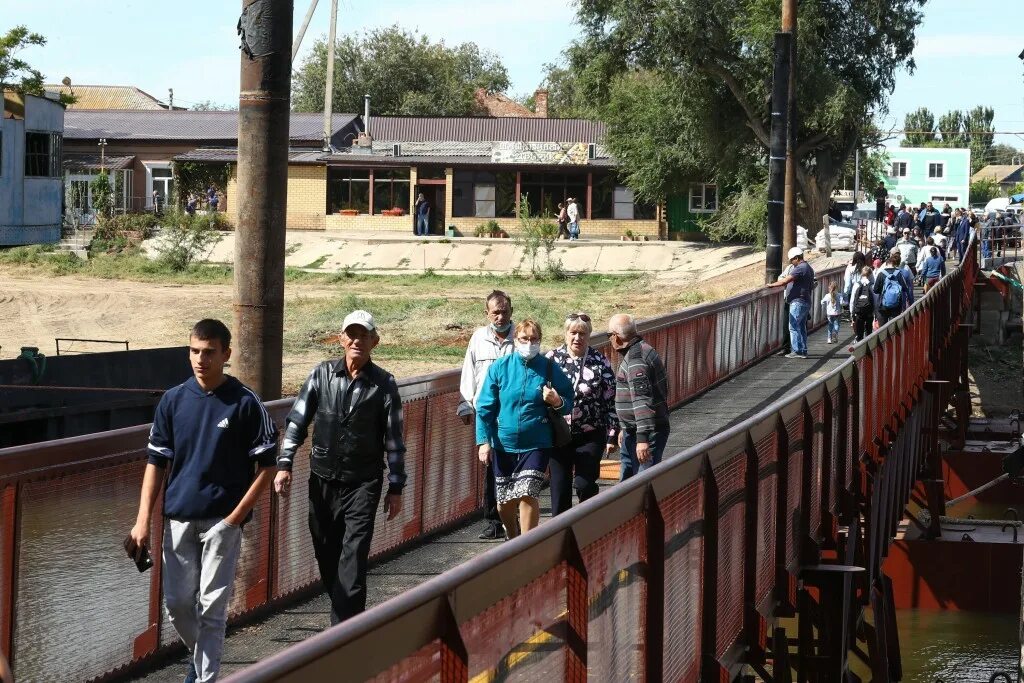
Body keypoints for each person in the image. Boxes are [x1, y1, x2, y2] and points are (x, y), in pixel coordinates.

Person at [128, 319, 278, 683]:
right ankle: (200, 662)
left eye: (209, 352)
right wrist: (142, 519)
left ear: (226, 354)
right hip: (178, 517)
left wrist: (234, 519)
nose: (201, 359)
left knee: (212, 607)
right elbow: (156, 462)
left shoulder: (245, 402)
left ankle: (205, 679)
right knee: (177, 606)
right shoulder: (173, 400)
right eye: (195, 351)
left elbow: (268, 467)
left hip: (222, 523)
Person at [274, 310, 406, 625]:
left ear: (375, 341)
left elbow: (394, 439)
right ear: (341, 338)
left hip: (363, 483)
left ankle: (345, 632)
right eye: (352, 334)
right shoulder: (321, 375)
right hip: (322, 480)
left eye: (364, 335)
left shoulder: (385, 385)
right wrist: (285, 463)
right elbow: (297, 421)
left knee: (354, 555)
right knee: (325, 549)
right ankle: (346, 617)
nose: (357, 340)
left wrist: (397, 486)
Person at [475, 319, 573, 537]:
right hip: (503, 443)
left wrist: (557, 401)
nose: (529, 343)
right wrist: (483, 442)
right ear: (515, 340)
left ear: (540, 340)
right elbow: (484, 407)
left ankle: (527, 544)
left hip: (537, 442)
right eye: (524, 339)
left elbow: (569, 400)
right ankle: (512, 534)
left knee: (528, 493)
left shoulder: (548, 368)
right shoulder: (500, 367)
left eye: (534, 339)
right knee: (504, 502)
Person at [544, 312, 618, 515]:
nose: (578, 338)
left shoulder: (599, 361)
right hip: (559, 434)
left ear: (589, 335)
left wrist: (612, 435)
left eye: (582, 334)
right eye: (573, 333)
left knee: (584, 485)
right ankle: (559, 537)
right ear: (566, 334)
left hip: (590, 433)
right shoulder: (551, 359)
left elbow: (610, 400)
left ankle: (587, 524)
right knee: (559, 490)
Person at [458, 290, 516, 540]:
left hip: (514, 412)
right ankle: (493, 520)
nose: (500, 316)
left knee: (514, 465)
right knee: (490, 465)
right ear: (487, 313)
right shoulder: (478, 338)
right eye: (495, 312)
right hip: (486, 412)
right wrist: (465, 403)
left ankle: (513, 520)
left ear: (511, 312)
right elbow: (469, 372)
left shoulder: (520, 338)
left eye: (504, 311)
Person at [607, 314, 670, 480]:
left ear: (616, 337)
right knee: (627, 483)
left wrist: (642, 440)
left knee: (641, 486)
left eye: (609, 336)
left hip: (645, 433)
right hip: (633, 430)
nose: (609, 340)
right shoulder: (641, 350)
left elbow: (642, 401)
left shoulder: (636, 360)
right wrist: (624, 426)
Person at [768, 246, 815, 359]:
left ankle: (797, 351)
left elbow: (785, 280)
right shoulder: (809, 268)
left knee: (793, 326)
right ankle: (803, 350)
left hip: (797, 301)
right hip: (805, 300)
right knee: (802, 327)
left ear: (796, 258)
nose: (791, 262)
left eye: (792, 260)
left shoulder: (800, 268)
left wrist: (772, 285)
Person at [873, 251, 914, 326]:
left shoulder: (881, 274)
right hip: (896, 304)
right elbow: (905, 288)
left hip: (882, 304)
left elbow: (875, 290)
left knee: (882, 329)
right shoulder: (899, 273)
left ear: (886, 263)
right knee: (894, 327)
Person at [849, 266, 876, 343]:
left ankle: (859, 343)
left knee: (859, 331)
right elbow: (875, 299)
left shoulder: (857, 284)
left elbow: (852, 300)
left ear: (861, 274)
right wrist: (875, 312)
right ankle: (868, 348)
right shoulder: (872, 285)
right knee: (869, 330)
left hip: (859, 310)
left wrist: (852, 313)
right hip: (869, 310)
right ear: (870, 274)